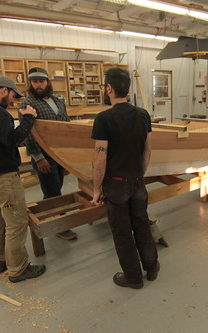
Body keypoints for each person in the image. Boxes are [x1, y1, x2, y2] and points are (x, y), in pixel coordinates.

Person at [91, 68, 159, 289]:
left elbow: (100, 159)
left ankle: (133, 277)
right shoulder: (143, 115)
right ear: (127, 88)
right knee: (141, 225)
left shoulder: (103, 119)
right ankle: (151, 266)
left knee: (122, 233)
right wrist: (139, 175)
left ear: (109, 88)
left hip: (116, 185)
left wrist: (96, 189)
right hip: (137, 182)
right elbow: (147, 151)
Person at [18, 67, 77, 241]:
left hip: (60, 154)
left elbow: (65, 125)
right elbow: (27, 133)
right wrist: (39, 158)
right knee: (53, 191)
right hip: (44, 156)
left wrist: (67, 154)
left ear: (47, 82)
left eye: (41, 81)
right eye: (35, 82)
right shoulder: (27, 104)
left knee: (54, 189)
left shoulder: (58, 100)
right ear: (30, 83)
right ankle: (60, 226)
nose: (38, 85)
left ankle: (48, 218)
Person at [0, 76, 46, 283]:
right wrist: (28, 119)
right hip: (5, 177)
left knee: (2, 221)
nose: (12, 101)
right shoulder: (2, 115)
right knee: (17, 222)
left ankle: (3, 260)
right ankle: (18, 269)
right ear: (3, 91)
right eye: (12, 95)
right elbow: (12, 140)